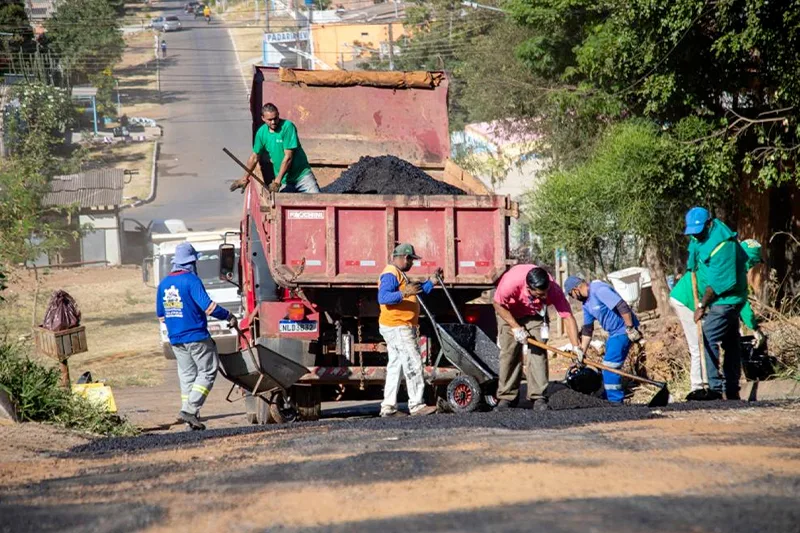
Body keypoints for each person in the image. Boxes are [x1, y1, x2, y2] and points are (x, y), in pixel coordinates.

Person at [156, 242, 237, 430]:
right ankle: (190, 411)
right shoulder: (191, 281)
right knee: (208, 371)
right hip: (196, 336)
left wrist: (177, 326)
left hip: (176, 338)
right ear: (192, 262)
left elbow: (161, 315)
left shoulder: (164, 284)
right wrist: (228, 315)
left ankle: (189, 418)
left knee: (187, 377)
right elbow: (208, 306)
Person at [670, 236, 764, 398]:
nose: (753, 266)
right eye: (754, 262)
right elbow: (741, 303)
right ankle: (698, 387)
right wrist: (755, 328)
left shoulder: (733, 262)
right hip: (686, 300)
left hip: (703, 302)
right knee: (700, 344)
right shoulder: (733, 266)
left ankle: (712, 383)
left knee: (713, 339)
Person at [493, 265, 582, 411]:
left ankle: (538, 397)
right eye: (540, 295)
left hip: (535, 314)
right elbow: (498, 304)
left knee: (538, 351)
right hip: (509, 313)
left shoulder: (553, 289)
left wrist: (576, 346)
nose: (545, 297)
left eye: (545, 293)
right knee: (509, 353)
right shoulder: (511, 283)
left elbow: (567, 317)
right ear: (529, 289)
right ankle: (507, 397)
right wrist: (516, 328)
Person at [682, 207, 749, 400]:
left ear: (709, 224)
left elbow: (717, 285)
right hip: (717, 299)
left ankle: (714, 388)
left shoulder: (723, 245)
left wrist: (701, 306)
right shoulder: (700, 235)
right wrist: (691, 261)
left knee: (708, 335)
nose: (695, 235)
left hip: (727, 298)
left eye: (699, 231)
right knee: (730, 341)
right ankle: (732, 389)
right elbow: (694, 246)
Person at [377, 243, 439, 417]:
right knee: (413, 362)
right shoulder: (391, 273)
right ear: (405, 257)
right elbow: (383, 297)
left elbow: (416, 291)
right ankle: (417, 405)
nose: (412, 263)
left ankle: (388, 407)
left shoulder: (400, 275)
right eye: (411, 259)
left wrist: (431, 282)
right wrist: (404, 293)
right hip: (398, 325)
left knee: (396, 366)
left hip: (397, 325)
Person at [563, 276, 642, 404]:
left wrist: (630, 328)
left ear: (576, 289)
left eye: (571, 295)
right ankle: (608, 395)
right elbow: (588, 329)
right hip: (613, 334)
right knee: (607, 367)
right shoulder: (586, 304)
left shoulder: (598, 290)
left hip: (623, 330)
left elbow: (622, 306)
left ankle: (615, 401)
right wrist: (581, 350)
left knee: (609, 367)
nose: (573, 298)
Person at [230, 103, 320, 194]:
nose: (273, 122)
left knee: (318, 202)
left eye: (275, 118)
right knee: (280, 205)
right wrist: (245, 177)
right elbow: (254, 157)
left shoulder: (287, 127)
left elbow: (288, 157)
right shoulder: (261, 133)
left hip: (301, 176)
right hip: (285, 181)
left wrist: (277, 181)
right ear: (263, 118)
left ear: (278, 115)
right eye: (270, 120)